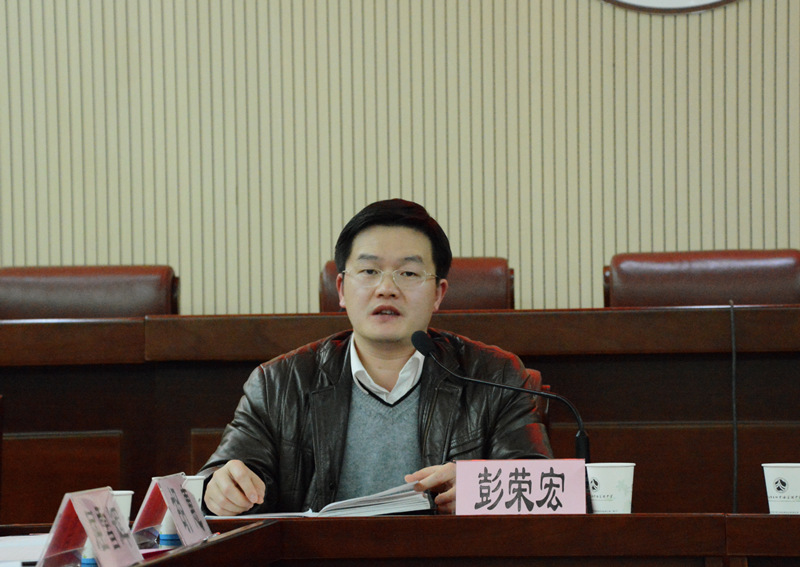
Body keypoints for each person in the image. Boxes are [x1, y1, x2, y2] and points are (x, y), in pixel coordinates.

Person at [199, 198, 552, 516]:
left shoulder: (496, 376)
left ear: (437, 294)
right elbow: (216, 480)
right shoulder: (278, 384)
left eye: (408, 273)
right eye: (369, 271)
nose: (387, 288)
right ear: (341, 289)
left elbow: (546, 488)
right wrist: (219, 491)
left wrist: (482, 489)